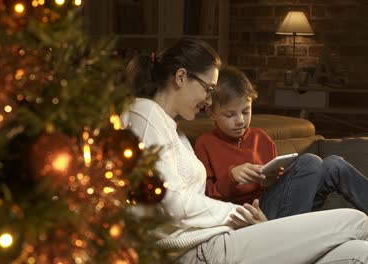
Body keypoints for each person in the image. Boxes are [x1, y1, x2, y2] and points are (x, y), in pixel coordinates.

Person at [122, 37, 368, 264]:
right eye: (208, 89)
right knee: (356, 221)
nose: (209, 101)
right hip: (202, 251)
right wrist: (240, 214)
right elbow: (170, 202)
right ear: (181, 77)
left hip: (222, 236)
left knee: (358, 252)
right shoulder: (144, 115)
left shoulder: (175, 131)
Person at [194, 66, 368, 220]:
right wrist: (231, 177)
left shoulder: (260, 138)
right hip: (251, 213)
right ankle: (290, 235)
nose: (240, 121)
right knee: (310, 161)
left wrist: (272, 179)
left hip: (283, 207)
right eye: (230, 115)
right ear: (211, 113)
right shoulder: (205, 144)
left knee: (334, 164)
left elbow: (277, 186)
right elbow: (203, 199)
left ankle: (298, 229)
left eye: (246, 111)